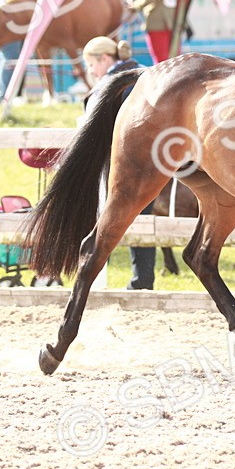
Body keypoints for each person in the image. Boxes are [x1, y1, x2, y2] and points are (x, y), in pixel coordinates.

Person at [81, 34, 155, 289]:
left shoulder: (115, 84)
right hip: (153, 159)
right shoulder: (140, 74)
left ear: (103, 59)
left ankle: (94, 276)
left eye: (91, 65)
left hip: (126, 163)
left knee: (113, 217)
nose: (91, 71)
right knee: (142, 218)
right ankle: (142, 279)